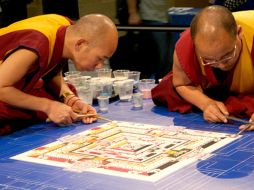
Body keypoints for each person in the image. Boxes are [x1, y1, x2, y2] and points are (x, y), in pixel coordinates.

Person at [0, 14, 118, 135]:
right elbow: (1, 87)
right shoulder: (37, 43)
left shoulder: (66, 29)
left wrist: (71, 99)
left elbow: (51, 71)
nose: (100, 66)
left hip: (9, 81)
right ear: (80, 44)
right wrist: (48, 106)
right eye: (100, 58)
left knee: (63, 96)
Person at [151, 5, 254, 131]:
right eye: (209, 59)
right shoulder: (187, 44)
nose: (221, 65)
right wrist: (206, 103)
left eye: (227, 55)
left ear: (239, 33)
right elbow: (181, 84)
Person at [127, 0, 172, 81]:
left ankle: (161, 83)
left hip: (164, 17)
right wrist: (132, 12)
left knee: (167, 58)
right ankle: (153, 83)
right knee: (158, 58)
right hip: (150, 17)